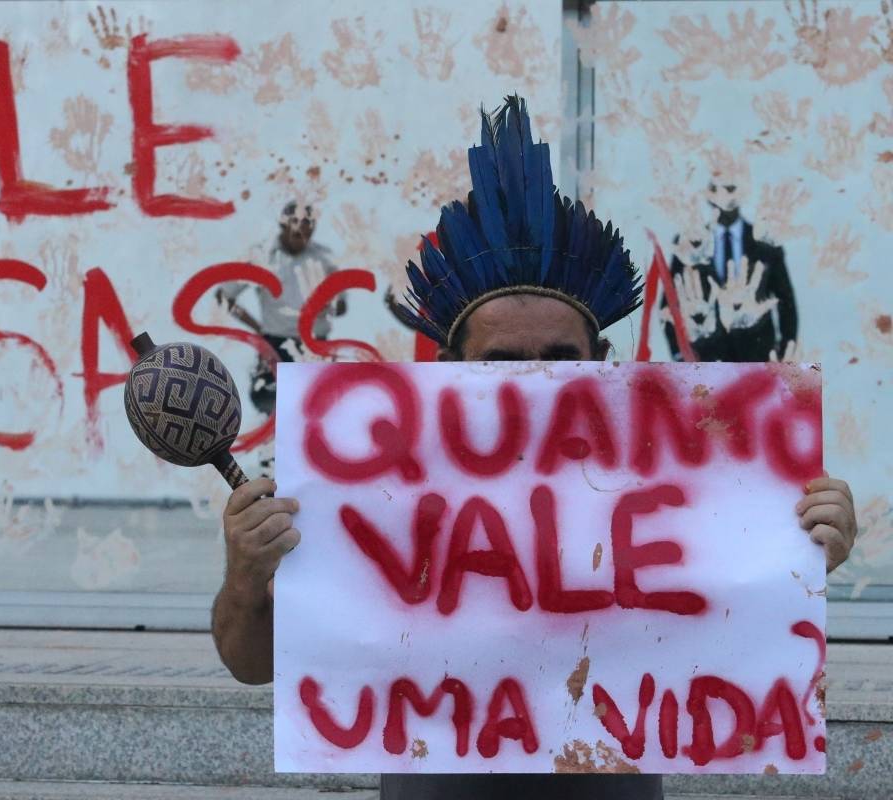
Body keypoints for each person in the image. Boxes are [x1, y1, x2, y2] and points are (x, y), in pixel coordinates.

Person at [211, 97, 857, 800]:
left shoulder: (670, 486)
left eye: (558, 356)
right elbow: (251, 664)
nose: (533, 381)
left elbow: (743, 622)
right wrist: (247, 572)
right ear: (449, 369)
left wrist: (801, 550)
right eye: (500, 362)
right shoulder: (375, 491)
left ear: (604, 361)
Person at [660, 156, 798, 363]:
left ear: (742, 192)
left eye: (730, 188)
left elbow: (786, 302)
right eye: (714, 189)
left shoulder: (765, 242)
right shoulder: (689, 243)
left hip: (758, 357)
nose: (721, 197)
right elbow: (670, 304)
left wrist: (785, 352)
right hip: (705, 359)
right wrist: (680, 356)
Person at [215, 201, 346, 417]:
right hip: (276, 345)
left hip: (315, 346)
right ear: (283, 225)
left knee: (322, 411)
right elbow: (224, 296)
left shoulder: (323, 258)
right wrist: (255, 328)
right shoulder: (262, 257)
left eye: (307, 229)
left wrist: (329, 304)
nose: (301, 234)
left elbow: (341, 305)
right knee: (272, 409)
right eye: (296, 228)